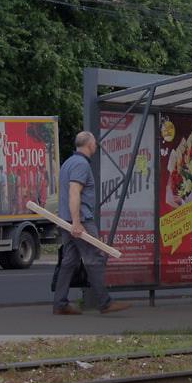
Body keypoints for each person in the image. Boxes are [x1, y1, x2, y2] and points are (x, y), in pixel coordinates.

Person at [52, 131, 130, 315]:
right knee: (94, 258)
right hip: (81, 221)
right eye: (94, 142)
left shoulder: (68, 163)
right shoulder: (81, 164)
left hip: (66, 220)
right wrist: (77, 222)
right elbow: (74, 192)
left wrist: (71, 221)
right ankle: (105, 303)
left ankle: (60, 304)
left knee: (69, 261)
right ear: (89, 145)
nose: (96, 145)